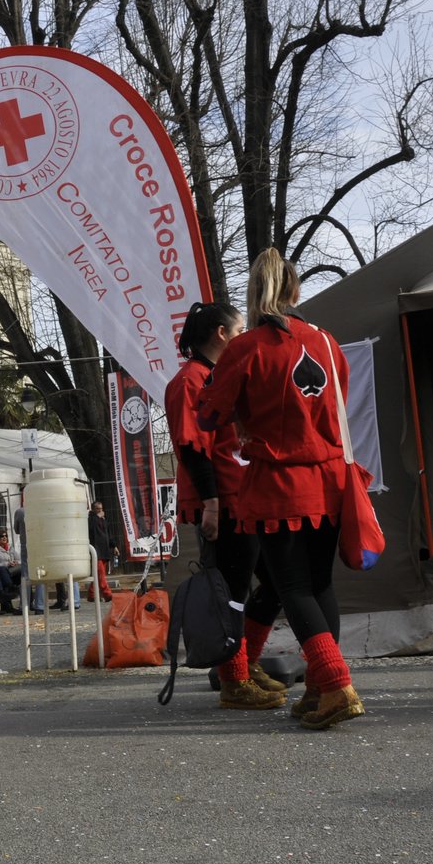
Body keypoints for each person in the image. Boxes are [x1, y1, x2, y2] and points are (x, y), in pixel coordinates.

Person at [196, 249, 361, 729]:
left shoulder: (245, 349)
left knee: (291, 587)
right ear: (295, 291)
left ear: (254, 295)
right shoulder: (327, 342)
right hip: (328, 476)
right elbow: (338, 404)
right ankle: (317, 688)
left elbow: (209, 414)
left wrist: (244, 414)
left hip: (278, 482)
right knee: (320, 583)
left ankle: (335, 684)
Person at [166, 300, 286, 710]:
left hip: (246, 498)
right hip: (222, 502)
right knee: (232, 592)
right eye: (237, 330)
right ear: (221, 334)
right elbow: (193, 449)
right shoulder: (190, 381)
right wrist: (213, 505)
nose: (242, 337)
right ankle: (234, 681)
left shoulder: (221, 376)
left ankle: (244, 664)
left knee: (277, 583)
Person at [87, 501, 116, 600]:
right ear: (93, 509)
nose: (100, 511)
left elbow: (108, 532)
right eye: (98, 509)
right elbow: (91, 528)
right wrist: (98, 516)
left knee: (97, 573)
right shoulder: (91, 518)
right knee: (101, 574)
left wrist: (114, 546)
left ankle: (91, 594)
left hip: (105, 549)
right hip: (96, 550)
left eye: (101, 509)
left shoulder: (103, 519)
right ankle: (107, 593)